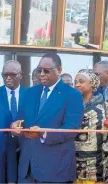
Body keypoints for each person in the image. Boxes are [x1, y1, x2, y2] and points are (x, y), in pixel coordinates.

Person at [11, 53, 84, 183]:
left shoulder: (72, 95)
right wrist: (15, 126)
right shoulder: (29, 93)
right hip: (27, 169)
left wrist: (43, 134)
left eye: (46, 71)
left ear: (59, 70)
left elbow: (71, 128)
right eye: (39, 70)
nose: (41, 74)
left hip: (55, 169)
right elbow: (20, 120)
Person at [0, 60, 26, 183]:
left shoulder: (30, 94)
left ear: (21, 75)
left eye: (12, 75)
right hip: (1, 148)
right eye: (5, 75)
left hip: (25, 147)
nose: (8, 78)